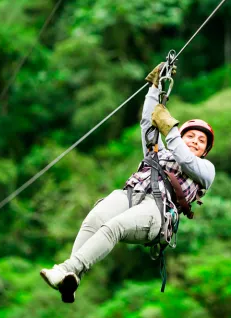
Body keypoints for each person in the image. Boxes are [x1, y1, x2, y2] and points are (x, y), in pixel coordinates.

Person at [40, 63, 216, 303]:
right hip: (132, 194)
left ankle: (64, 269)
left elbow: (185, 158)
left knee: (114, 227)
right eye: (191, 136)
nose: (195, 141)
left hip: (158, 209)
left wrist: (172, 130)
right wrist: (154, 88)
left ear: (205, 151)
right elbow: (147, 123)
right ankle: (72, 276)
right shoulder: (158, 152)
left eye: (201, 140)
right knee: (94, 219)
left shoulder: (205, 170)